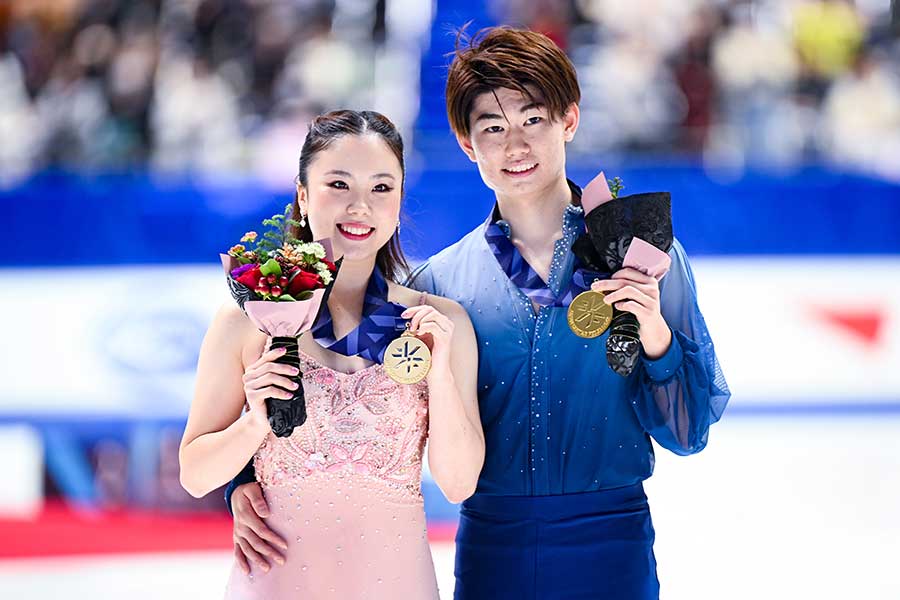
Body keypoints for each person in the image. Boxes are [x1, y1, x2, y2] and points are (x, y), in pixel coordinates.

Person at [230, 28, 730, 600]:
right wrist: (245, 483)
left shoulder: (644, 256)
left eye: (533, 119)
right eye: (492, 128)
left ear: (569, 120)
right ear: (468, 144)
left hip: (613, 543)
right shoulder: (436, 286)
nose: (515, 145)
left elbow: (690, 432)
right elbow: (348, 394)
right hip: (492, 551)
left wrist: (658, 338)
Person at [179, 109, 484, 599]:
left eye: (381, 188)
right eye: (338, 185)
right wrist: (254, 423)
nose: (360, 206)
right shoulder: (250, 319)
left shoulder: (440, 323)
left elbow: (459, 484)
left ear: (400, 199)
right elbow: (194, 475)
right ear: (302, 194)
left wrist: (442, 375)